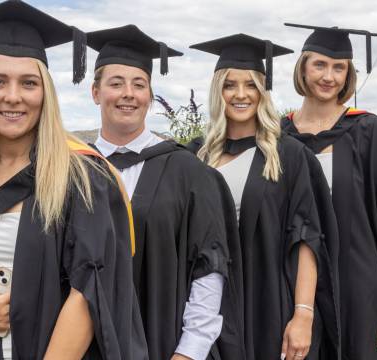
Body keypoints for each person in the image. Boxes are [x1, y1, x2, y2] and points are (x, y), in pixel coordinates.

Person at [0, 1, 147, 359]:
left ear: (44, 94)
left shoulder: (82, 180)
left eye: (28, 83)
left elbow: (90, 290)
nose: (13, 96)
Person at [87, 24, 241, 360]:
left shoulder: (188, 171)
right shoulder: (75, 169)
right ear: (95, 92)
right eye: (116, 83)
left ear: (149, 95)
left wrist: (190, 351)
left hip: (166, 344)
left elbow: (209, 267)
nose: (129, 93)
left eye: (139, 84)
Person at [188, 34, 340, 360]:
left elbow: (306, 239)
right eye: (230, 85)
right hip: (206, 307)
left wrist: (303, 314)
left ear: (263, 92)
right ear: (218, 91)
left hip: (268, 302)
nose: (240, 94)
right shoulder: (195, 157)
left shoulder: (288, 155)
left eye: (251, 85)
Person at [282, 23, 377, 360]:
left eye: (338, 67)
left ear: (348, 74)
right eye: (319, 65)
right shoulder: (278, 137)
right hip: (294, 290)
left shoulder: (371, 132)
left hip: (359, 286)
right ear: (302, 68)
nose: (329, 76)